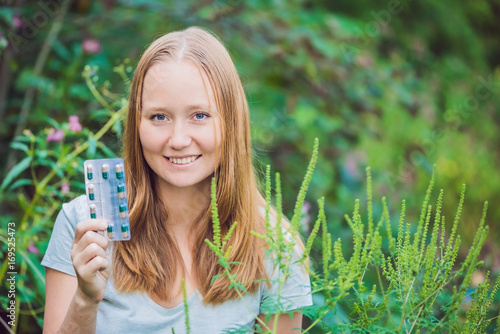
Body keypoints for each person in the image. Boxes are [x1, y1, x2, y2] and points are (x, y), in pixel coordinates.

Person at [42, 26, 312, 334]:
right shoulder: (84, 227)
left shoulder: (275, 246)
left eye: (199, 115)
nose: (179, 139)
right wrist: (85, 301)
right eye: (159, 117)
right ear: (137, 124)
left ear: (231, 123)